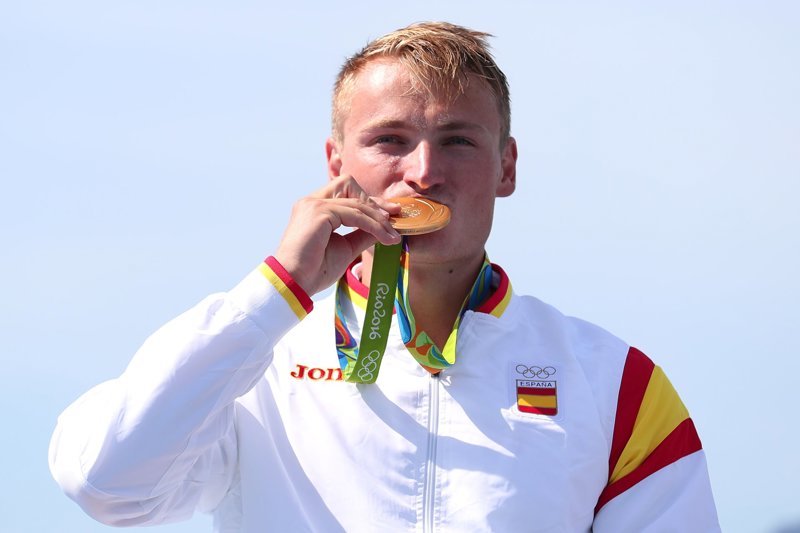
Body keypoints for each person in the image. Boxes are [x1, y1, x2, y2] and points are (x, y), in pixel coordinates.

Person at [49, 21, 720, 532]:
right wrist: (276, 290)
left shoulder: (616, 385)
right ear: (336, 163)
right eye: (390, 140)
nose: (424, 172)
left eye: (458, 140)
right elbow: (107, 486)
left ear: (506, 167)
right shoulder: (254, 363)